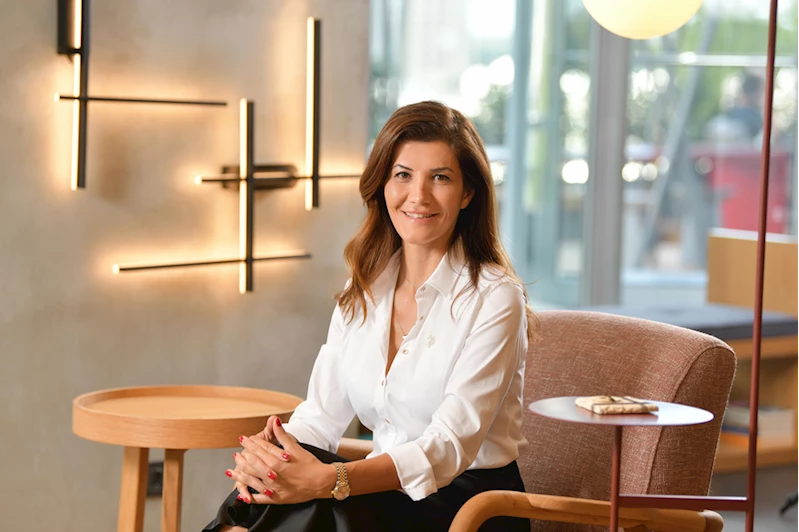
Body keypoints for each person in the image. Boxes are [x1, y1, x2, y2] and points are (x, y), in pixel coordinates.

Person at [203, 101, 538, 532]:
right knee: (276, 490)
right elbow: (319, 417)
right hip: (378, 499)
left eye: (440, 177)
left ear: (468, 193)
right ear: (383, 184)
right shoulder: (361, 291)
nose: (418, 195)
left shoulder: (494, 298)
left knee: (319, 502)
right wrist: (269, 463)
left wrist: (329, 480)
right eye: (403, 175)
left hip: (469, 506)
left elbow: (449, 445)